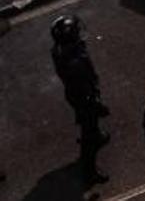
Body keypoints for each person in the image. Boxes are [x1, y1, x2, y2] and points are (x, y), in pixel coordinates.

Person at [50, 14, 110, 185]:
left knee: (90, 124)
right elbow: (85, 89)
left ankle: (96, 135)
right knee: (88, 132)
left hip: (76, 94)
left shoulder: (60, 50)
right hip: (84, 98)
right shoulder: (75, 62)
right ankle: (90, 171)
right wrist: (97, 104)